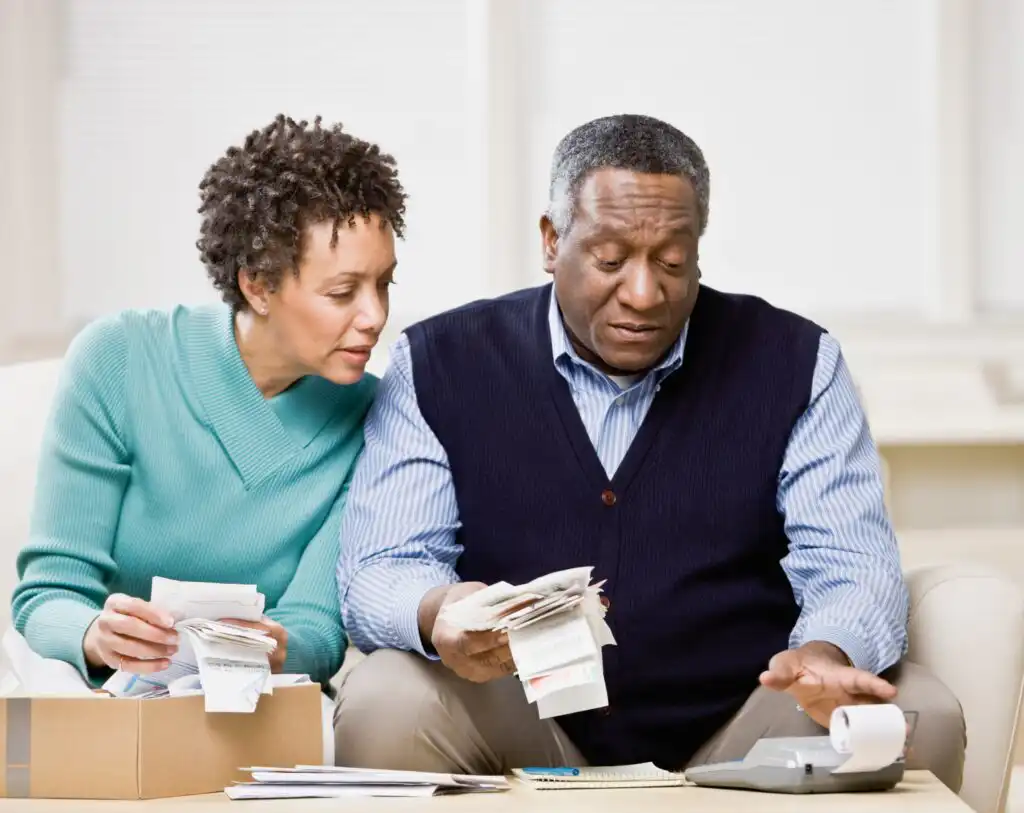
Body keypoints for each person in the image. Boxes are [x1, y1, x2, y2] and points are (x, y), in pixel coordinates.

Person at [333, 114, 966, 788]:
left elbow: (851, 562)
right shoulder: (440, 362)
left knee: (922, 711)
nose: (643, 293)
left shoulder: (797, 362)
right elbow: (381, 566)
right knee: (385, 697)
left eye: (672, 262)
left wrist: (822, 654)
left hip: (744, 728)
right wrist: (440, 613)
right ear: (551, 242)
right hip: (525, 724)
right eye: (610, 261)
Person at [12, 115, 405, 758]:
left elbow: (317, 627)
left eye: (384, 283)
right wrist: (94, 633)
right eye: (343, 292)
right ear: (257, 285)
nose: (375, 317)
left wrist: (275, 644)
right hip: (101, 705)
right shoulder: (119, 359)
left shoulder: (373, 413)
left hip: (255, 708)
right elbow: (47, 594)